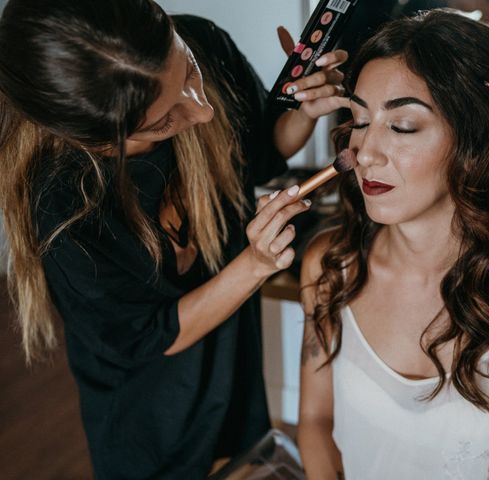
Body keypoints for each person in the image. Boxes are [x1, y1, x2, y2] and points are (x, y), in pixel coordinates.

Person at [0, 0, 349, 478]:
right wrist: (256, 264)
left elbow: (264, 153)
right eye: (162, 123)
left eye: (189, 68)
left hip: (233, 363)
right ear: (97, 143)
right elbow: (152, 334)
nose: (203, 111)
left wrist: (307, 111)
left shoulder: (205, 41)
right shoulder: (63, 204)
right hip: (149, 413)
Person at [298, 10, 489, 480]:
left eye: (402, 126)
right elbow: (317, 423)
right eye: (359, 119)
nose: (366, 152)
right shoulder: (331, 264)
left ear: (474, 140)